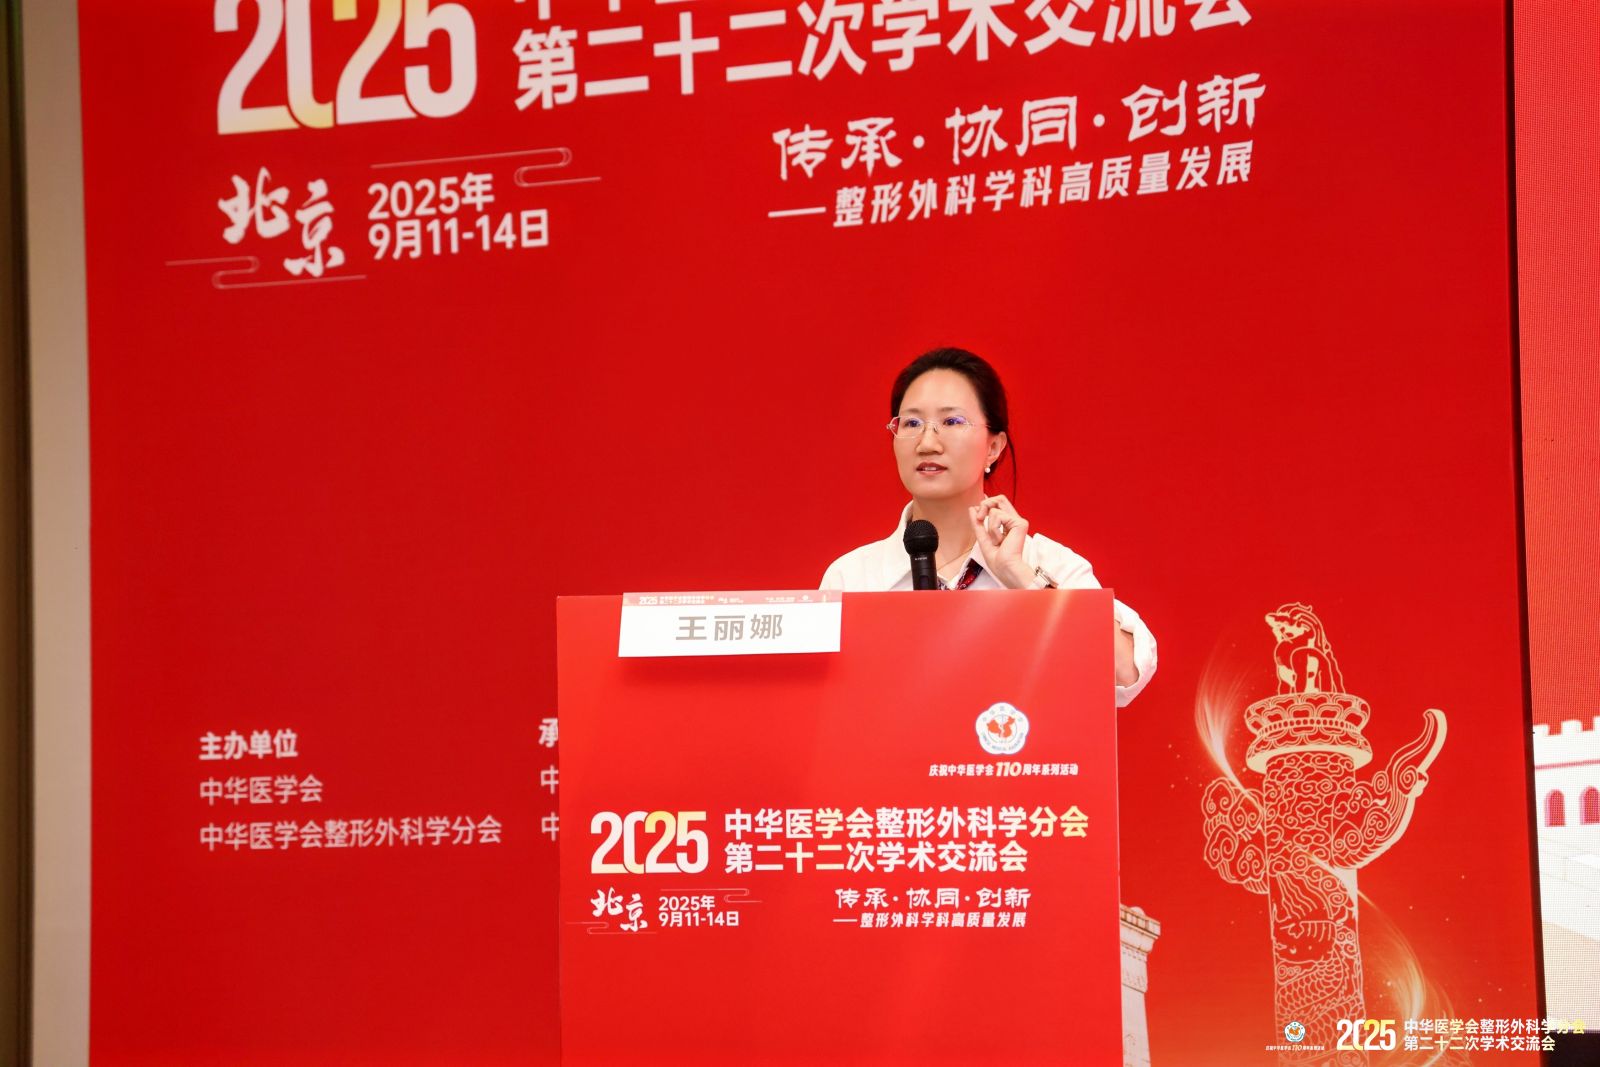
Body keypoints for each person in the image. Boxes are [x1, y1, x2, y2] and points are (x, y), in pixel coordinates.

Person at [819, 347, 1156, 707]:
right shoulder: (853, 577)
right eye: (912, 424)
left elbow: (1125, 674)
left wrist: (1022, 579)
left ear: (994, 447)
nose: (927, 443)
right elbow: (824, 707)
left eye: (952, 422)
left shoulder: (1044, 564)